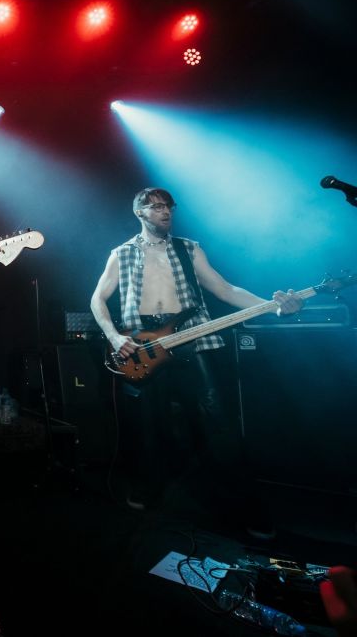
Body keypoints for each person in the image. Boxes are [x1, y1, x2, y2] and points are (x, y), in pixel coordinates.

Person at [89, 187, 302, 537]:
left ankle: (248, 510)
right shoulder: (121, 253)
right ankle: (149, 492)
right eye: (156, 206)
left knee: (218, 427)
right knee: (149, 429)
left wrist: (273, 307)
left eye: (168, 206)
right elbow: (97, 299)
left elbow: (226, 290)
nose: (165, 212)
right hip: (145, 346)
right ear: (140, 212)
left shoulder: (188, 248)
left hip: (193, 340)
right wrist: (114, 336)